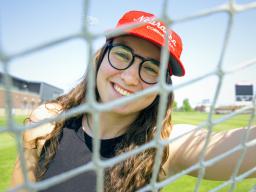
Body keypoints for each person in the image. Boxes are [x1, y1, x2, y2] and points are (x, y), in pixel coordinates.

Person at [11, 10, 256, 192]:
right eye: (122, 55)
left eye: (151, 69)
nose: (129, 78)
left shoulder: (163, 146)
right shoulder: (47, 122)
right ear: (101, 57)